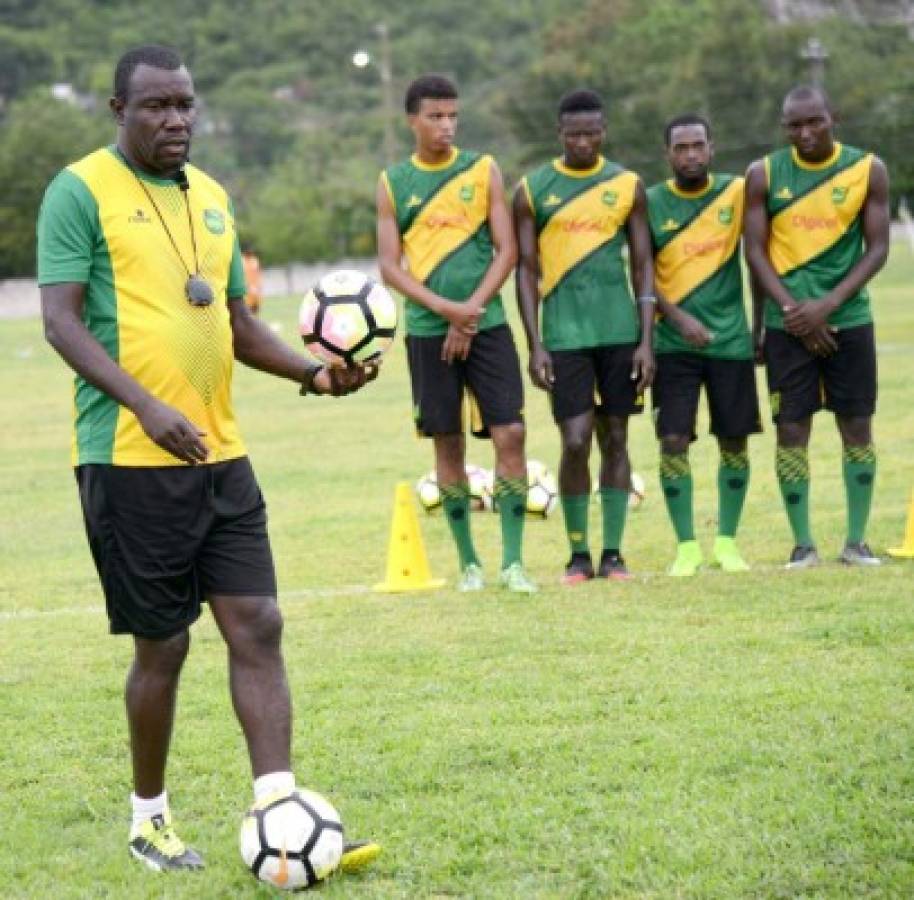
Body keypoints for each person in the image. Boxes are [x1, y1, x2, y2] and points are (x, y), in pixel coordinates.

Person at [37, 45, 380, 874]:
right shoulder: (79, 191)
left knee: (258, 623)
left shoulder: (217, 201)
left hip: (221, 455)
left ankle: (280, 812)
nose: (176, 120)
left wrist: (313, 374)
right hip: (128, 458)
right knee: (165, 647)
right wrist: (146, 406)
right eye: (156, 106)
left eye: (185, 105)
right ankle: (148, 820)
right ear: (119, 109)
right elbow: (61, 321)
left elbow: (233, 321)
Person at [376, 73, 536, 594]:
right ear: (412, 121)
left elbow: (507, 250)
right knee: (448, 445)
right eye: (435, 117)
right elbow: (390, 268)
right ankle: (470, 564)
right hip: (428, 330)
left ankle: (513, 563)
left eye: (452, 116)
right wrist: (448, 311)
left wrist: (472, 312)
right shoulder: (392, 182)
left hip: (487, 324)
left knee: (510, 433)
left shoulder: (483, 169)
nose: (446, 125)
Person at [744, 85, 890, 568]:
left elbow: (877, 250)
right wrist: (791, 313)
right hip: (786, 325)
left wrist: (825, 305)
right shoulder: (763, 175)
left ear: (834, 117)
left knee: (857, 427)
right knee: (791, 430)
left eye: (814, 122)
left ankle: (856, 542)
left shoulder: (868, 170)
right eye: (793, 125)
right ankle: (802, 544)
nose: (804, 133)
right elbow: (756, 253)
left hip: (848, 319)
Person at [514, 89, 655, 584]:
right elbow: (526, 273)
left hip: (619, 332)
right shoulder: (533, 190)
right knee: (575, 441)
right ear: (559, 135)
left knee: (615, 437)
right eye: (573, 134)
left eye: (591, 133)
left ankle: (613, 554)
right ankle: (578, 555)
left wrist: (645, 340)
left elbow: (643, 266)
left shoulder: (628, 185)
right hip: (565, 335)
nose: (582, 142)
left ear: (603, 131)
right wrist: (535, 344)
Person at [646, 114, 762, 576]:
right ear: (668, 153)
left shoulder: (735, 192)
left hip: (729, 341)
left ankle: (728, 542)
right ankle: (687, 546)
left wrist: (760, 329)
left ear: (712, 148)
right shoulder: (651, 201)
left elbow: (757, 255)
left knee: (734, 441)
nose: (690, 155)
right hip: (673, 343)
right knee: (673, 441)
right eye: (681, 147)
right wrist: (676, 316)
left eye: (698, 146)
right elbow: (641, 272)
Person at [241, 242, 263, 314]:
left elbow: (259, 274)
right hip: (246, 292)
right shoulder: (241, 261)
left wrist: (259, 287)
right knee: (247, 313)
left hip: (256, 291)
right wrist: (248, 287)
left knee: (256, 311)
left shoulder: (255, 260)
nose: (250, 252)